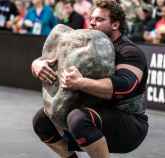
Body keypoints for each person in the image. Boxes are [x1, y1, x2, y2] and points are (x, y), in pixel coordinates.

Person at [31, 0, 149, 158]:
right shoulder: (84, 42)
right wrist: (37, 64)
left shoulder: (129, 52)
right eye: (92, 18)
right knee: (41, 121)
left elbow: (125, 86)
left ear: (115, 25)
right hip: (95, 112)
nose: (92, 23)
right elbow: (50, 59)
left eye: (99, 20)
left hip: (129, 124)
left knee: (78, 118)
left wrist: (81, 83)